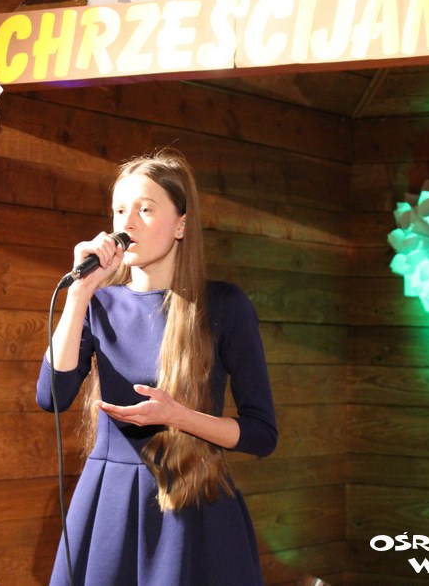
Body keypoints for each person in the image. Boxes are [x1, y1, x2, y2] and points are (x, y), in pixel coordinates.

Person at [36, 149, 278, 585]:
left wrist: (179, 417)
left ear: (181, 224)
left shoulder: (224, 305)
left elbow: (262, 435)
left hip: (193, 504)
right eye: (119, 210)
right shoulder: (99, 304)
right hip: (110, 503)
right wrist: (79, 294)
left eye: (145, 210)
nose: (127, 224)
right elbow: (51, 397)